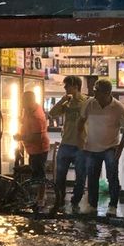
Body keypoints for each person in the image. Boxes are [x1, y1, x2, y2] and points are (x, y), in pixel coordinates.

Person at [81, 79, 124, 216]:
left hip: (111, 147)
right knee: (92, 177)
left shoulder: (117, 107)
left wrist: (121, 147)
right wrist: (80, 140)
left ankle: (113, 206)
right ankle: (92, 205)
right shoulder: (89, 103)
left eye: (97, 91)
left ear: (107, 93)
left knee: (112, 177)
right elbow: (81, 121)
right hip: (91, 147)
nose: (95, 94)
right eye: (95, 91)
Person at [47, 75, 88, 214]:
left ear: (75, 86)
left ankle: (75, 201)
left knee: (80, 176)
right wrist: (62, 100)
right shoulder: (67, 102)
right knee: (60, 176)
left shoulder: (86, 102)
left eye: (67, 85)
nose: (65, 88)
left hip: (80, 145)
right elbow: (52, 113)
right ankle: (59, 200)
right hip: (65, 143)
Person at [16, 89, 50, 209]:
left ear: (30, 101)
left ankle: (41, 198)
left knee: (39, 174)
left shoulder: (37, 116)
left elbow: (36, 138)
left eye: (23, 101)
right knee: (36, 172)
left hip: (39, 149)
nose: (21, 103)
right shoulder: (28, 110)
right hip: (32, 149)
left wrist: (21, 137)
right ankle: (36, 196)